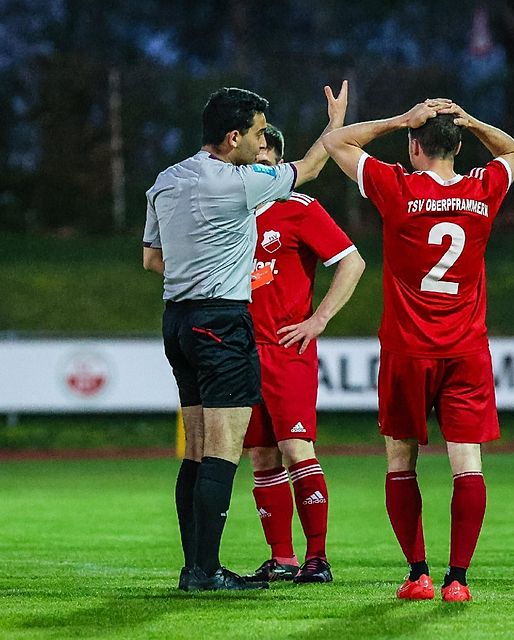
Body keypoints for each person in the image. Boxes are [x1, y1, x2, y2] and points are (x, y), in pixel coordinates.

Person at [142, 82, 348, 591]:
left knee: (195, 450)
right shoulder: (238, 183)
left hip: (177, 321)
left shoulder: (166, 181)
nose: (262, 144)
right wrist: (336, 123)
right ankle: (208, 572)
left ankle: (194, 568)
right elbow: (314, 165)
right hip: (223, 323)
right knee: (223, 452)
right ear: (232, 137)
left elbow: (151, 257)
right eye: (256, 133)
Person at [322, 99, 514, 602]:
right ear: (457, 146)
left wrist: (396, 120)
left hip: (408, 349)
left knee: (399, 461)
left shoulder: (397, 187)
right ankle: (458, 580)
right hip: (466, 349)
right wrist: (474, 122)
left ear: (415, 146)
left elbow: (335, 142)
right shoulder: (483, 189)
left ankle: (418, 574)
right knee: (468, 465)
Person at [241, 124, 365, 585]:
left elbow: (352, 261)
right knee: (260, 455)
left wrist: (320, 319)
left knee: (296, 448)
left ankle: (318, 558)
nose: (256, 166)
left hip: (285, 348)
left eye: (264, 158)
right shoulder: (230, 211)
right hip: (241, 352)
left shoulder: (299, 208)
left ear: (277, 160)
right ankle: (282, 557)